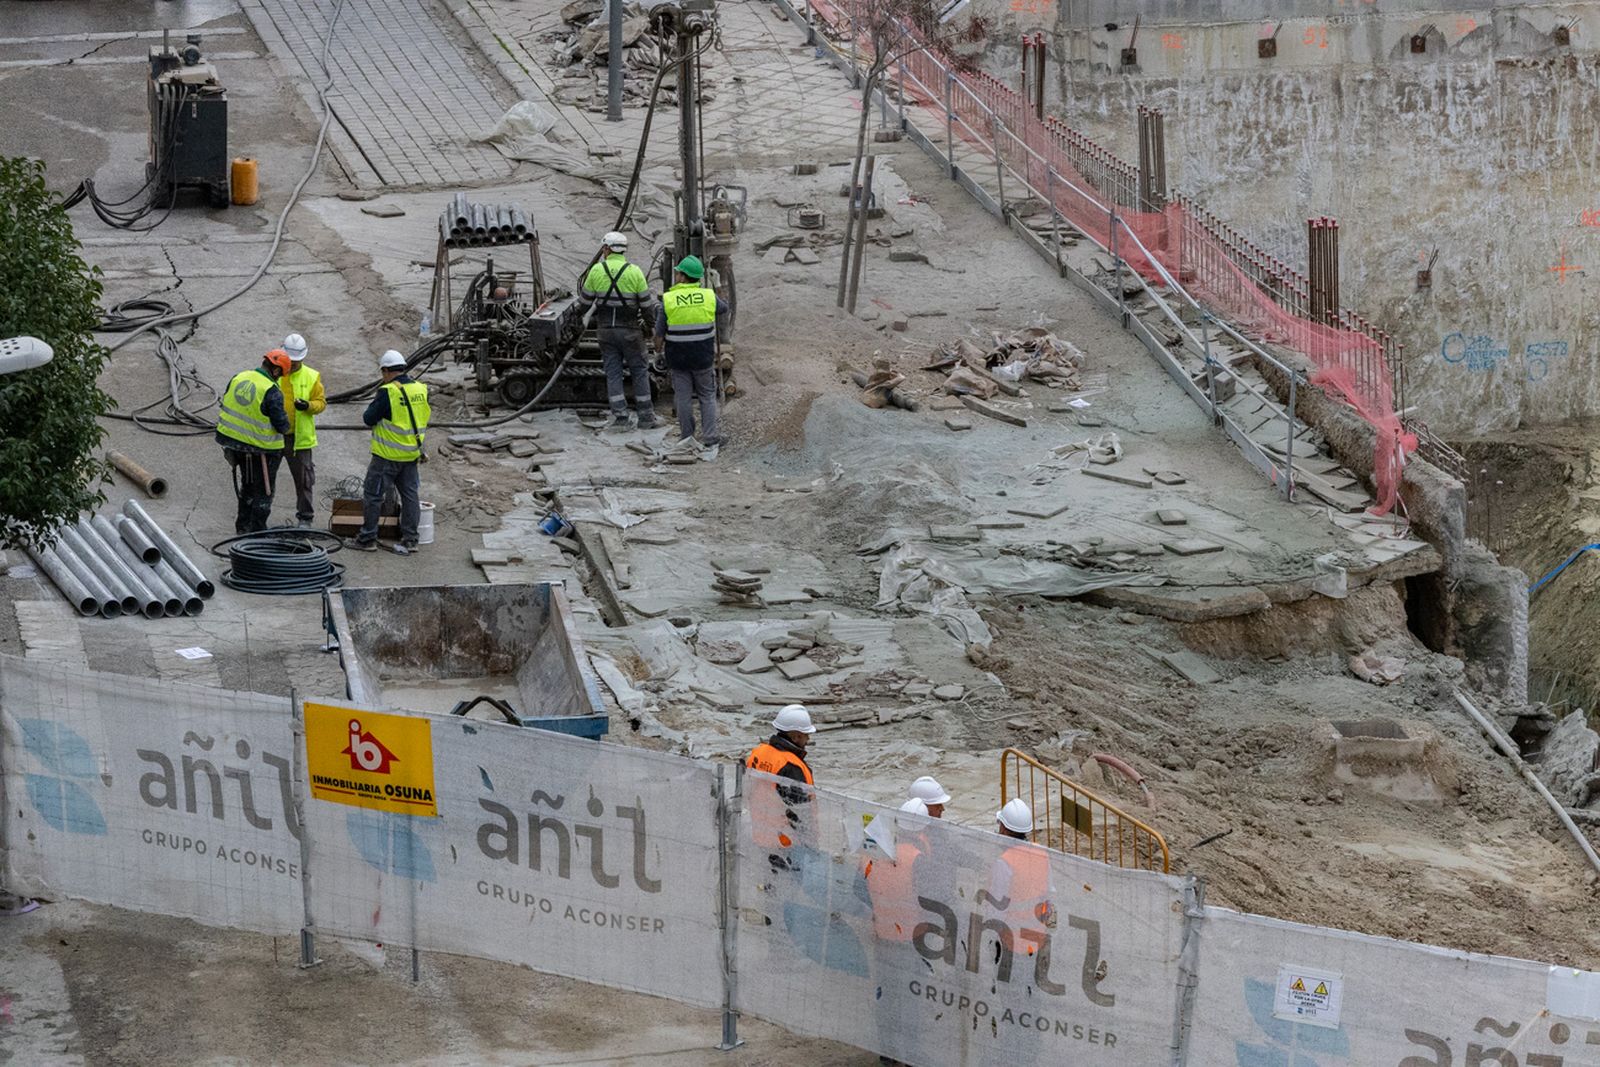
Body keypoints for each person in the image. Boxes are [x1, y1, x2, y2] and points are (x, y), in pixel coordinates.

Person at [349, 349, 429, 555]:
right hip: (411, 453)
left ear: (385, 371)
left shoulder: (388, 392)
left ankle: (368, 538)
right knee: (410, 496)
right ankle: (411, 540)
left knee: (373, 495)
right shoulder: (421, 389)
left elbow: (368, 418)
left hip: (386, 456)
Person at [579, 231, 655, 432]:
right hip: (630, 330)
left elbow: (584, 303)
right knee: (639, 371)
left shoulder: (596, 270)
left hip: (605, 331)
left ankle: (621, 417)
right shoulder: (635, 272)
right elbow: (647, 305)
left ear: (606, 249)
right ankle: (646, 417)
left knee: (613, 373)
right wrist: (650, 327)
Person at [654, 255, 729, 447]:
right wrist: (717, 284)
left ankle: (687, 437)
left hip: (678, 358)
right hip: (702, 356)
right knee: (706, 395)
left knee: (683, 397)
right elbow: (724, 308)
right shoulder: (708, 296)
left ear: (682, 276)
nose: (676, 275)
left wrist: (658, 352)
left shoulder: (668, 299)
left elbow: (659, 334)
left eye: (678, 272)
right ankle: (711, 437)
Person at [217, 348, 292, 534]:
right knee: (264, 492)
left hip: (231, 442)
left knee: (247, 485)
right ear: (275, 371)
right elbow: (282, 425)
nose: (279, 378)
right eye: (280, 374)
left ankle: (242, 528)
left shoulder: (239, 377)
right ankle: (258, 532)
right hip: (261, 448)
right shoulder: (271, 390)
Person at [745, 703, 815, 871]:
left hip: (761, 833)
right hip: (786, 841)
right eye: (806, 735)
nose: (808, 739)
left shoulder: (759, 752)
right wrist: (809, 843)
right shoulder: (792, 766)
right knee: (787, 886)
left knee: (770, 881)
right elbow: (800, 811)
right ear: (796, 736)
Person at [988, 799, 1055, 965]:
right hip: (1035, 935)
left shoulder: (1005, 862)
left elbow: (996, 907)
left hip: (1011, 939)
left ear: (1003, 828)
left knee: (1008, 985)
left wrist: (991, 936)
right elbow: (1049, 893)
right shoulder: (1041, 853)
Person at [279, 332, 326, 527]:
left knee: (304, 479)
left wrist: (308, 406)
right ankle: (259, 515)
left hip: (299, 439)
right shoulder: (275, 372)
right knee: (264, 477)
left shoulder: (311, 376)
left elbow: (321, 403)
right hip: (273, 435)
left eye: (297, 361)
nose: (294, 364)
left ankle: (305, 517)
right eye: (291, 361)